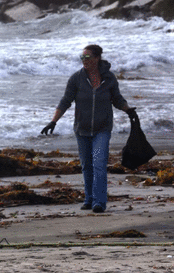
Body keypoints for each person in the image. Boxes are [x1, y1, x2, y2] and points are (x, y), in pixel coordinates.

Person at [41, 45, 137, 213]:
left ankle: (99, 202)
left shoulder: (109, 78)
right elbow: (65, 101)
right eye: (82, 57)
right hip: (82, 129)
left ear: (97, 58)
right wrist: (53, 121)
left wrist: (128, 110)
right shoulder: (76, 78)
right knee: (86, 165)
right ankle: (89, 198)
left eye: (87, 57)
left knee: (99, 163)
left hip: (102, 128)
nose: (84, 60)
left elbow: (117, 99)